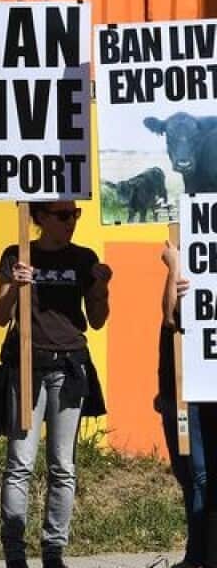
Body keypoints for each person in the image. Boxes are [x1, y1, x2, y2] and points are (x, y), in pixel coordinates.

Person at [0, 201, 111, 568]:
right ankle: (14, 552)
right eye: (62, 215)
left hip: (69, 366)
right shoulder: (17, 254)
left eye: (74, 215)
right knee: (20, 463)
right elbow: (0, 316)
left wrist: (101, 287)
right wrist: (15, 284)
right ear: (40, 218)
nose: (71, 222)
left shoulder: (83, 258)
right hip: (26, 366)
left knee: (63, 465)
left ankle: (53, 551)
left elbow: (97, 319)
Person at [161, 239, 207, 568]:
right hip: (176, 389)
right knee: (186, 472)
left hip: (203, 391)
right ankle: (198, 554)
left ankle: (200, 556)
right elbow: (170, 317)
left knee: (200, 473)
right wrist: (175, 266)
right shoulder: (184, 262)